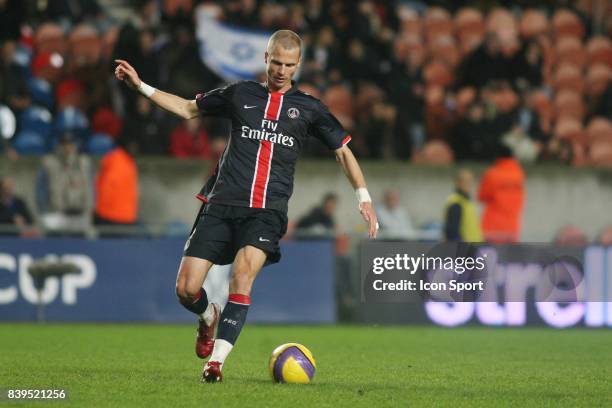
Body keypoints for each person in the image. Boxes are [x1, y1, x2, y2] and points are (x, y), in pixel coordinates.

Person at [114, 29, 378, 382]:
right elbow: (189, 109)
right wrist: (141, 87)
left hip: (267, 212)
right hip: (221, 204)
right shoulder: (240, 94)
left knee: (242, 276)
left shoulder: (310, 109)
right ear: (265, 59)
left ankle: (216, 364)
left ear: (298, 65)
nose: (281, 71)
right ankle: (208, 316)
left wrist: (364, 197)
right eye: (276, 62)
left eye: (289, 65)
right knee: (186, 289)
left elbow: (342, 151)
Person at [478, 145, 525, 243]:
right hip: (512, 228)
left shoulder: (492, 174)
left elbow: (482, 196)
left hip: (492, 227)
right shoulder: (519, 175)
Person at [443, 169, 482, 242]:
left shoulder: (467, 202)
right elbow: (452, 232)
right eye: (465, 181)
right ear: (458, 183)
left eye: (470, 181)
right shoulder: (456, 203)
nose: (468, 184)